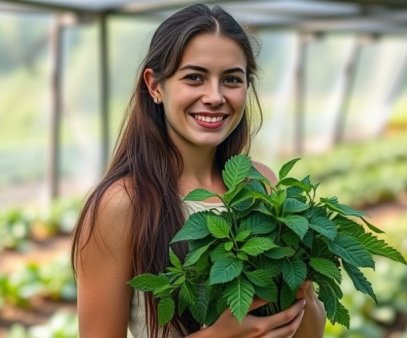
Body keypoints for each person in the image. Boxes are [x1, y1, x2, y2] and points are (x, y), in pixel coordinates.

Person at [70, 3, 326, 338]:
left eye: (232, 79)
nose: (215, 96)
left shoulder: (261, 183)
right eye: (195, 77)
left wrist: (303, 294)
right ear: (155, 85)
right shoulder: (123, 205)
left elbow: (308, 331)